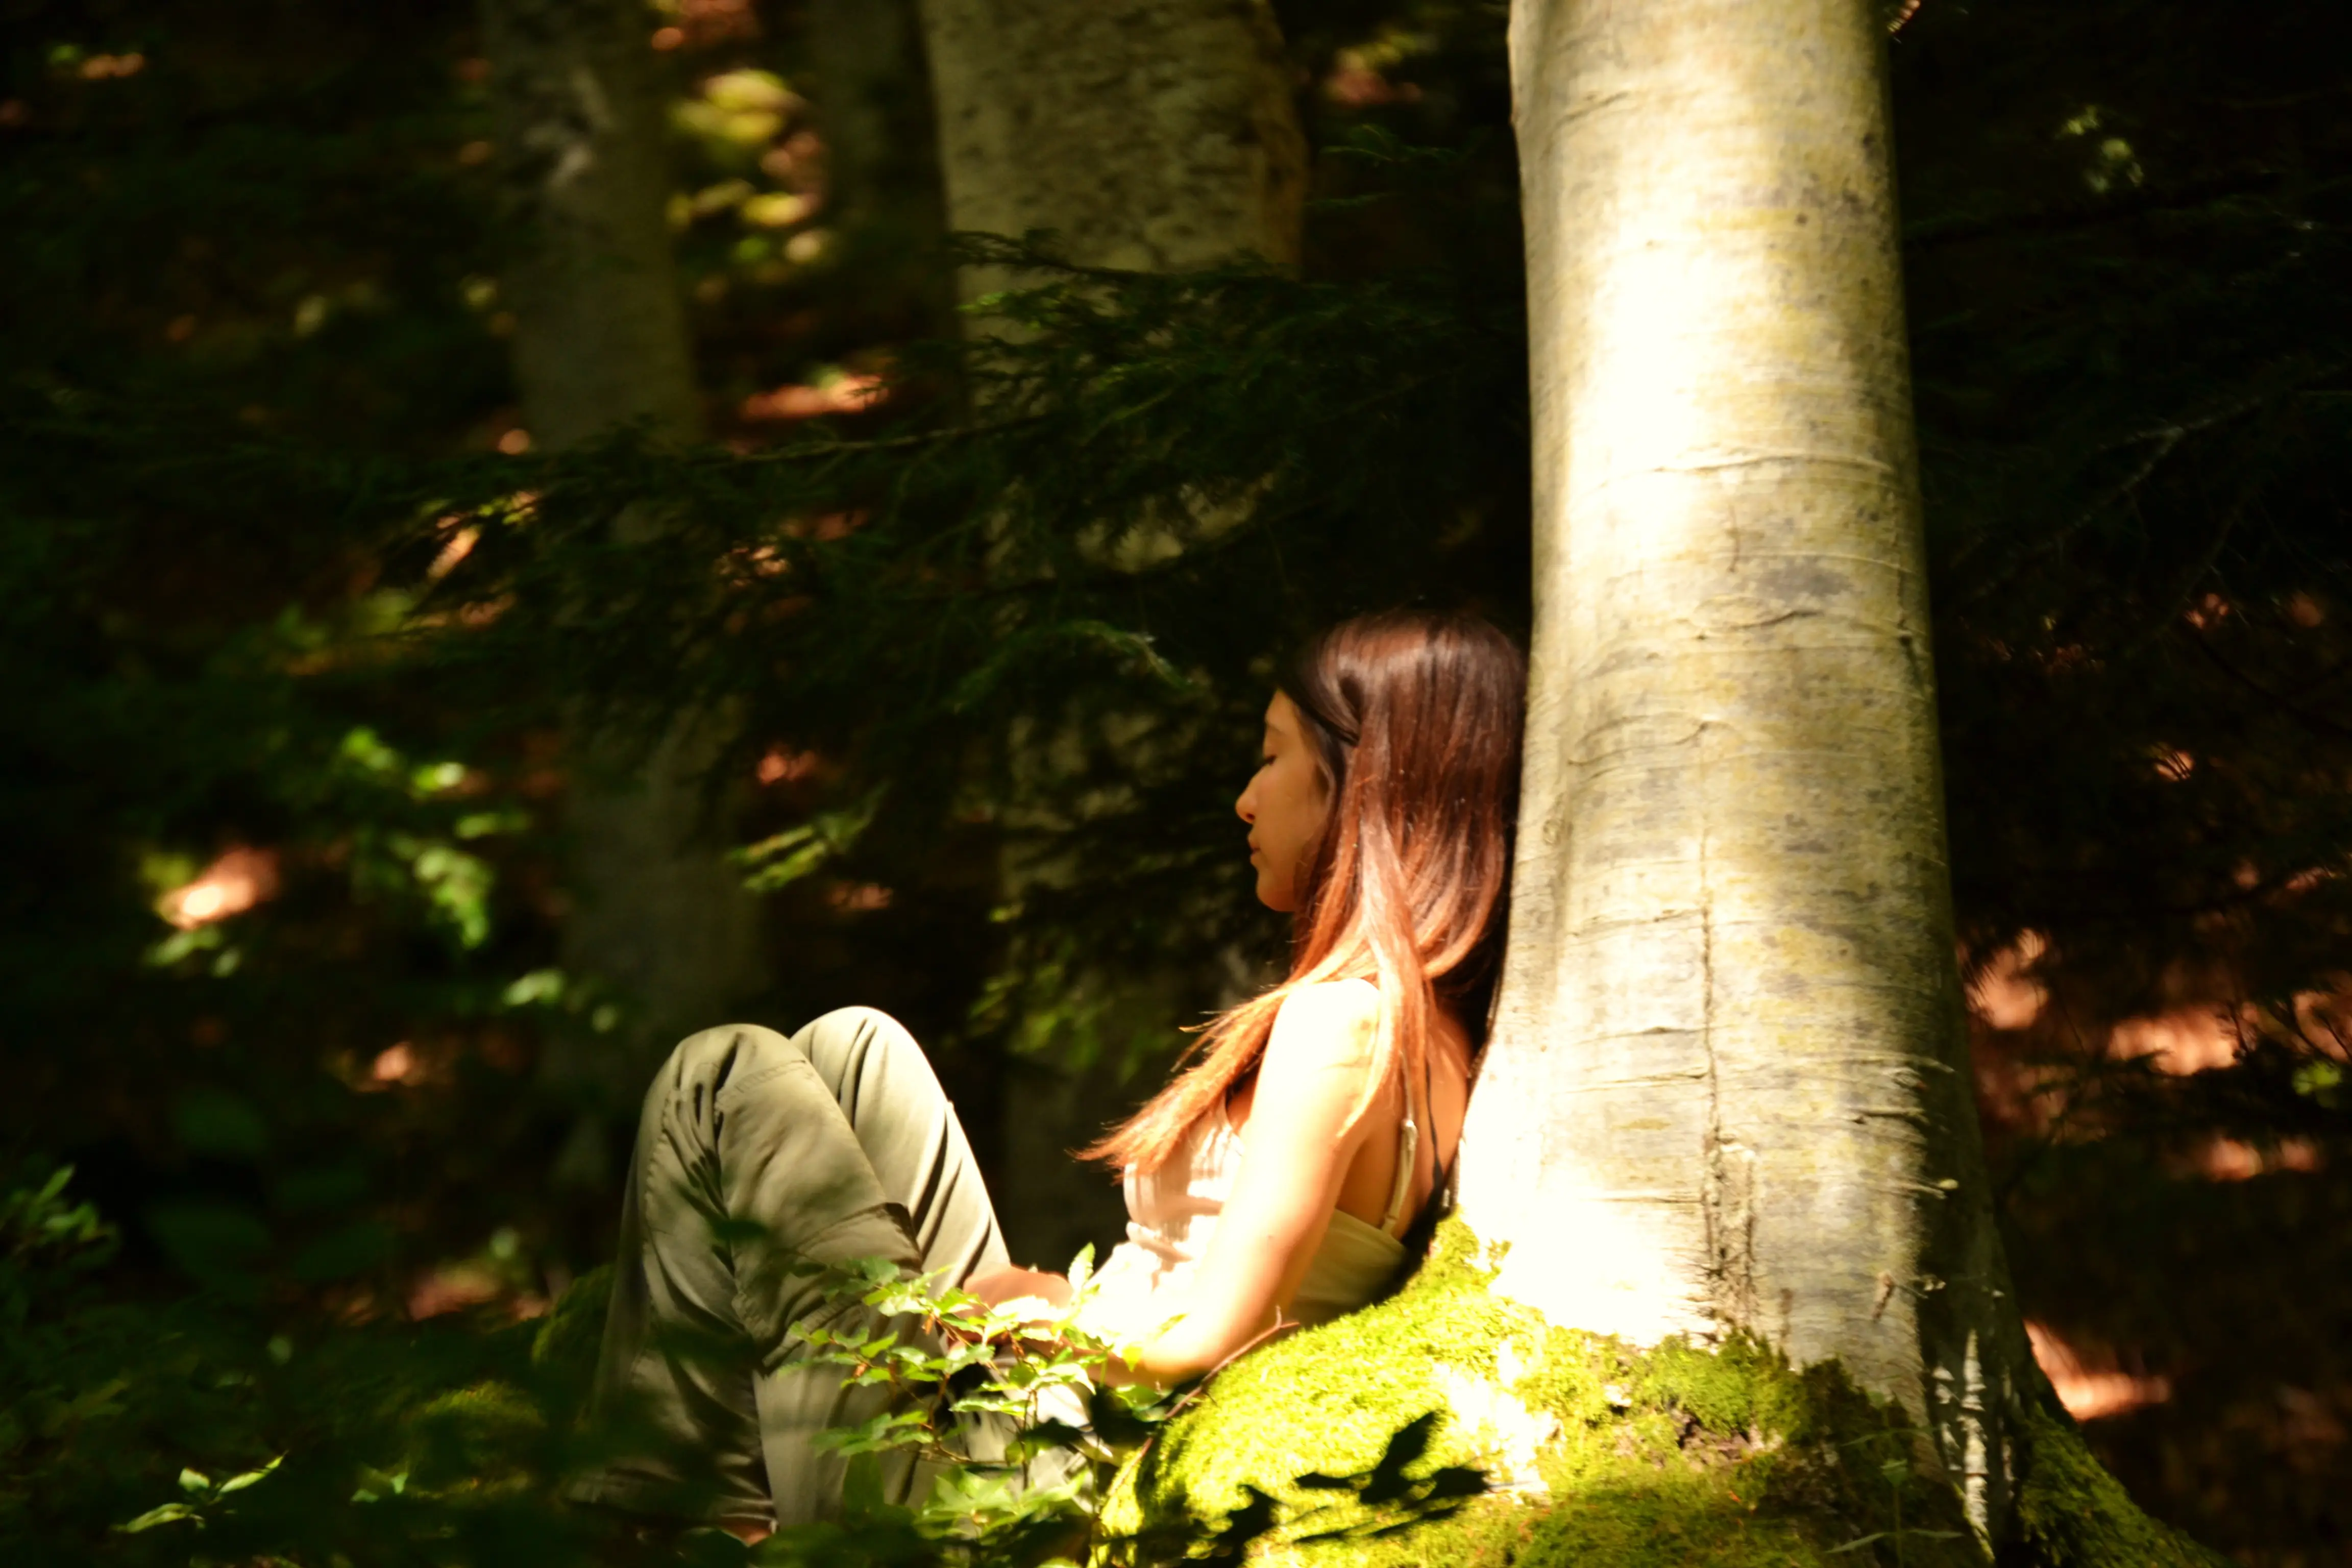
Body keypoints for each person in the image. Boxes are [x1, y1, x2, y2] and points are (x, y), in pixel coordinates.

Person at [566, 608, 1527, 1539]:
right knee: (853, 1050)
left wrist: (1046, 1308)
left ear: (1354, 781)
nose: (1245, 795)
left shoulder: (1341, 1021)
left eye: (1273, 756)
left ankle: (687, 1520)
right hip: (1055, 1407)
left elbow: (1213, 1338)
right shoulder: (1431, 1027)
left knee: (721, 1071)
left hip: (1048, 1465)